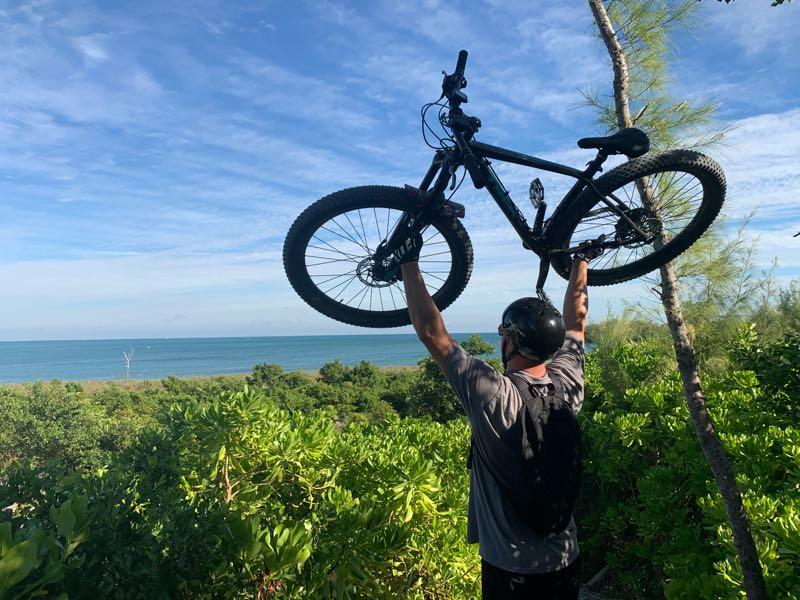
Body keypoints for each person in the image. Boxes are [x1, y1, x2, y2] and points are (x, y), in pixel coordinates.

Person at [396, 231, 597, 599]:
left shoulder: (494, 394)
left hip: (511, 568)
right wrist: (581, 262)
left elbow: (431, 332)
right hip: (566, 559)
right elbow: (577, 326)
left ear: (511, 341)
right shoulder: (567, 384)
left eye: (504, 332)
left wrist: (408, 263)